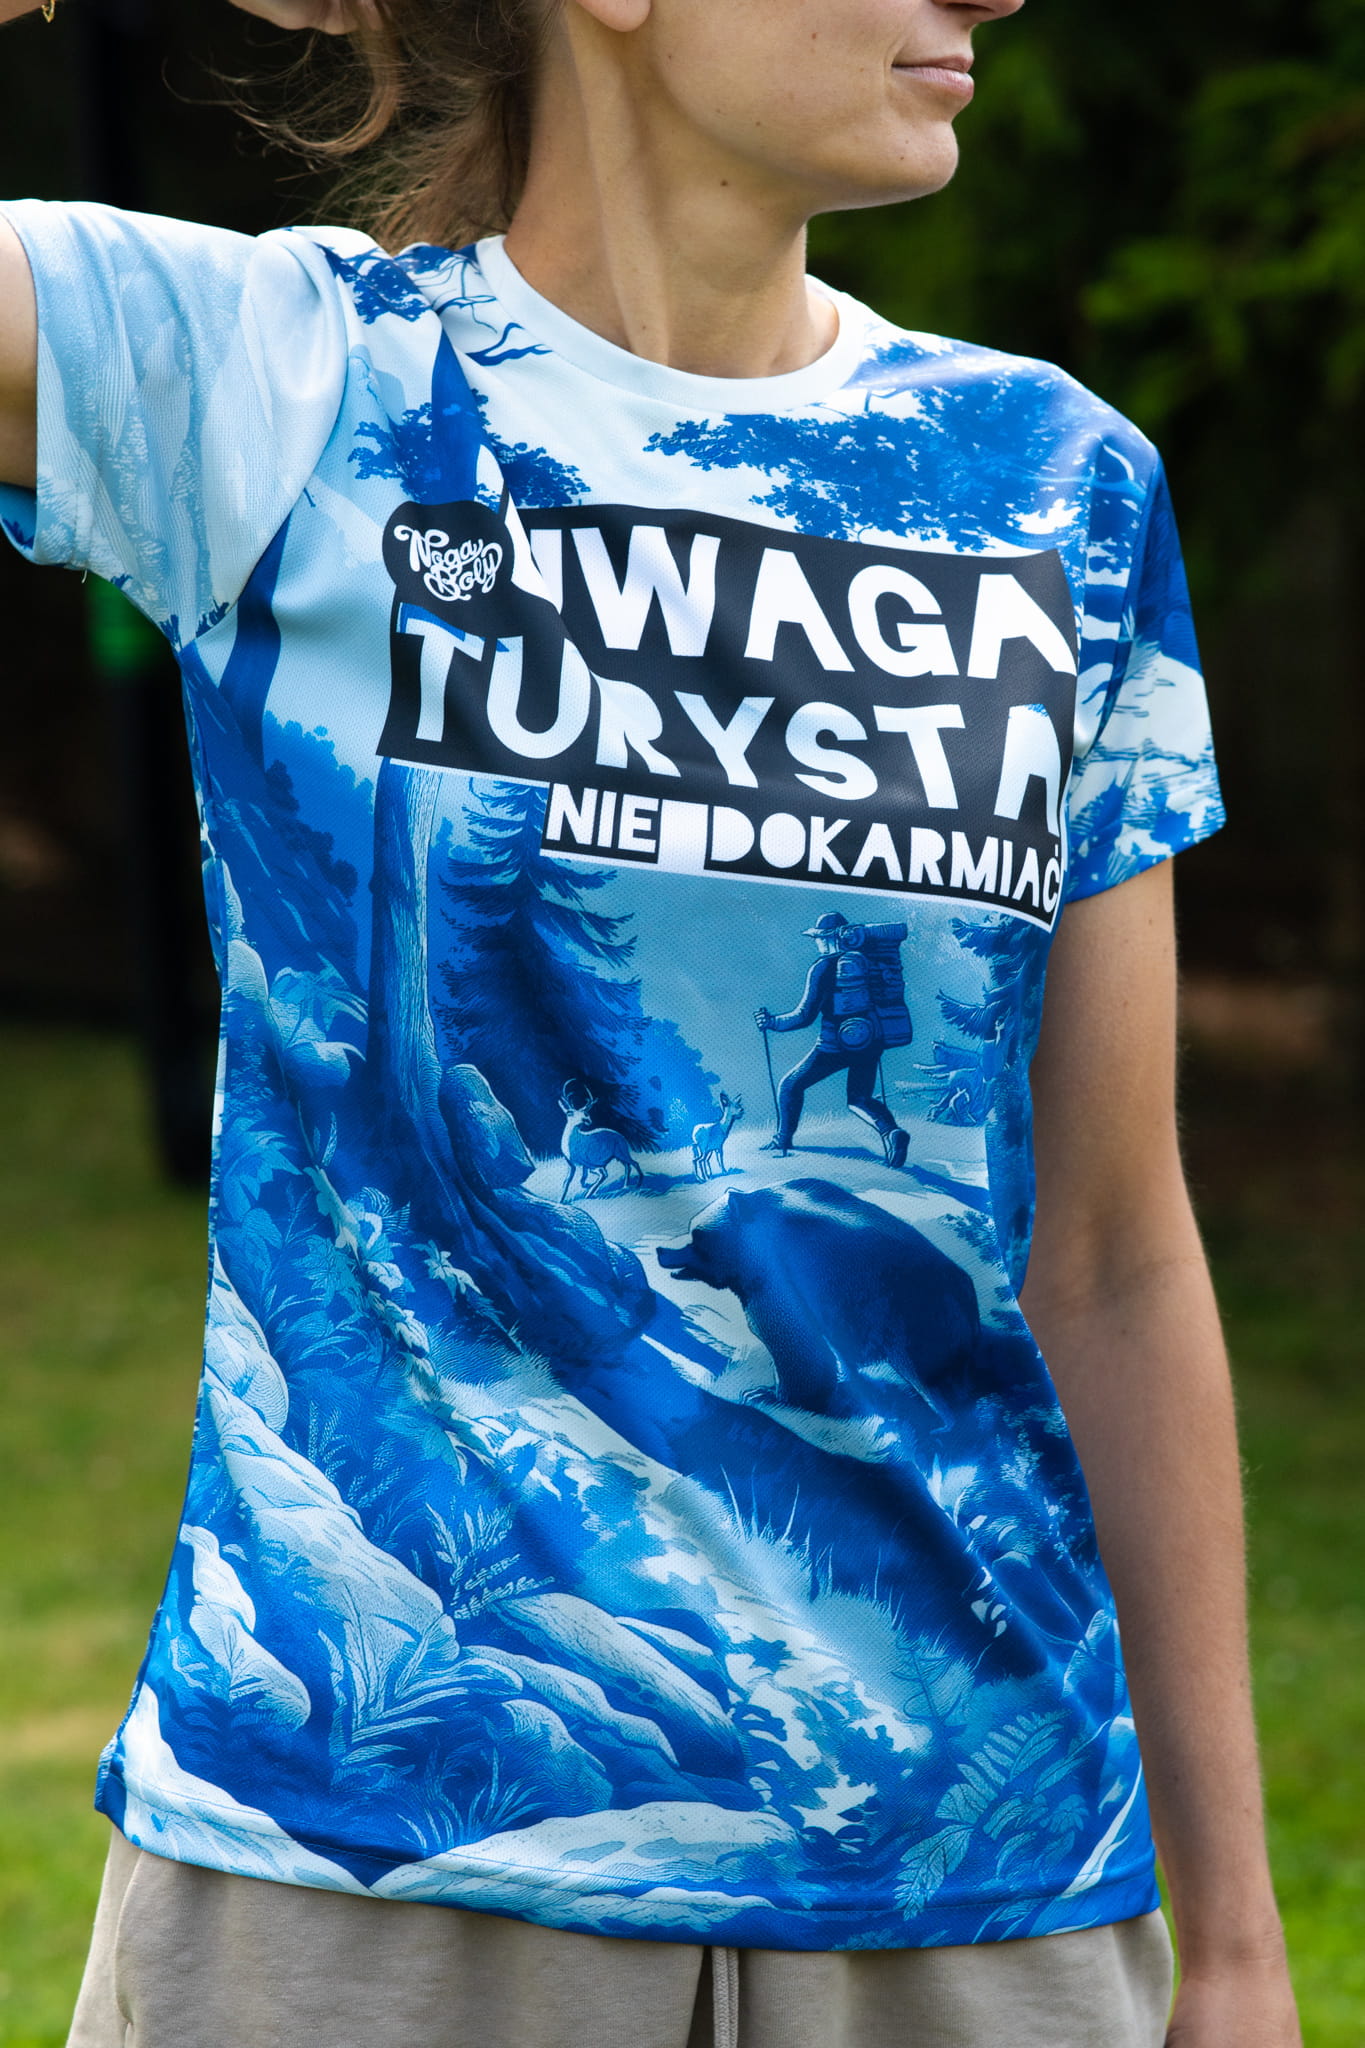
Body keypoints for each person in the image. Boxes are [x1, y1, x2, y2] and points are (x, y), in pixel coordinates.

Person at [0, 1, 1303, 2043]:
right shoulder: (282, 383)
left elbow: (1115, 1254)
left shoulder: (1055, 483)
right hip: (373, 1876)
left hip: (971, 1892)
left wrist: (1231, 1935)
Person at [756, 912, 911, 1164]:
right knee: (859, 1099)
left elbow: (804, 1016)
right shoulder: (868, 960)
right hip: (871, 1040)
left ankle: (783, 1139)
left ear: (829, 938)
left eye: (819, 937)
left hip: (834, 1046)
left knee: (790, 1086)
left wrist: (772, 1022)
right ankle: (891, 1132)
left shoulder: (823, 967)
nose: (817, 942)